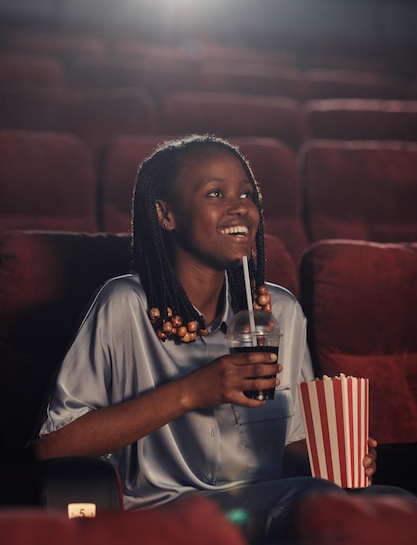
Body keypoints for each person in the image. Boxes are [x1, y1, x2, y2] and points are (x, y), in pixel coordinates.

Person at [35, 134, 404, 544]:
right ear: (165, 214)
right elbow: (53, 446)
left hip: (270, 500)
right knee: (314, 503)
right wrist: (194, 390)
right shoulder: (124, 304)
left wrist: (336, 458)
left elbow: (292, 443)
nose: (240, 206)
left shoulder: (279, 310)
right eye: (216, 192)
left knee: (394, 503)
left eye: (247, 193)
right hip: (165, 510)